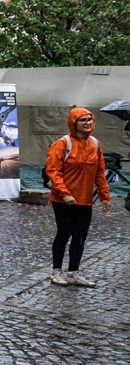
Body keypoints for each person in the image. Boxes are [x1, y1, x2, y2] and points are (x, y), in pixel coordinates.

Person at [45, 107, 111, 287]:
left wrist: (104, 194)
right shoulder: (62, 144)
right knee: (64, 233)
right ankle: (56, 271)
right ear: (73, 123)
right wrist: (65, 194)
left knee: (80, 236)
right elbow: (53, 171)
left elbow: (99, 172)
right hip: (63, 200)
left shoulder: (95, 144)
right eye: (83, 120)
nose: (87, 123)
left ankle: (73, 272)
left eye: (89, 119)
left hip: (85, 199)